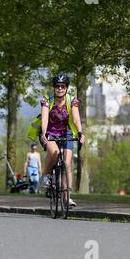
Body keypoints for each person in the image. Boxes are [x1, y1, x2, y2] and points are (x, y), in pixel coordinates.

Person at [38, 74, 86, 207]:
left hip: (67, 132)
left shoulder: (72, 100)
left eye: (62, 86)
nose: (60, 88)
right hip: (50, 132)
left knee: (67, 163)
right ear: (54, 88)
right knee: (54, 152)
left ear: (66, 88)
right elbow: (44, 118)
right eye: (57, 86)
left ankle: (67, 197)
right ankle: (46, 177)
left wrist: (80, 132)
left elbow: (76, 118)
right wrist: (43, 132)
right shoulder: (47, 100)